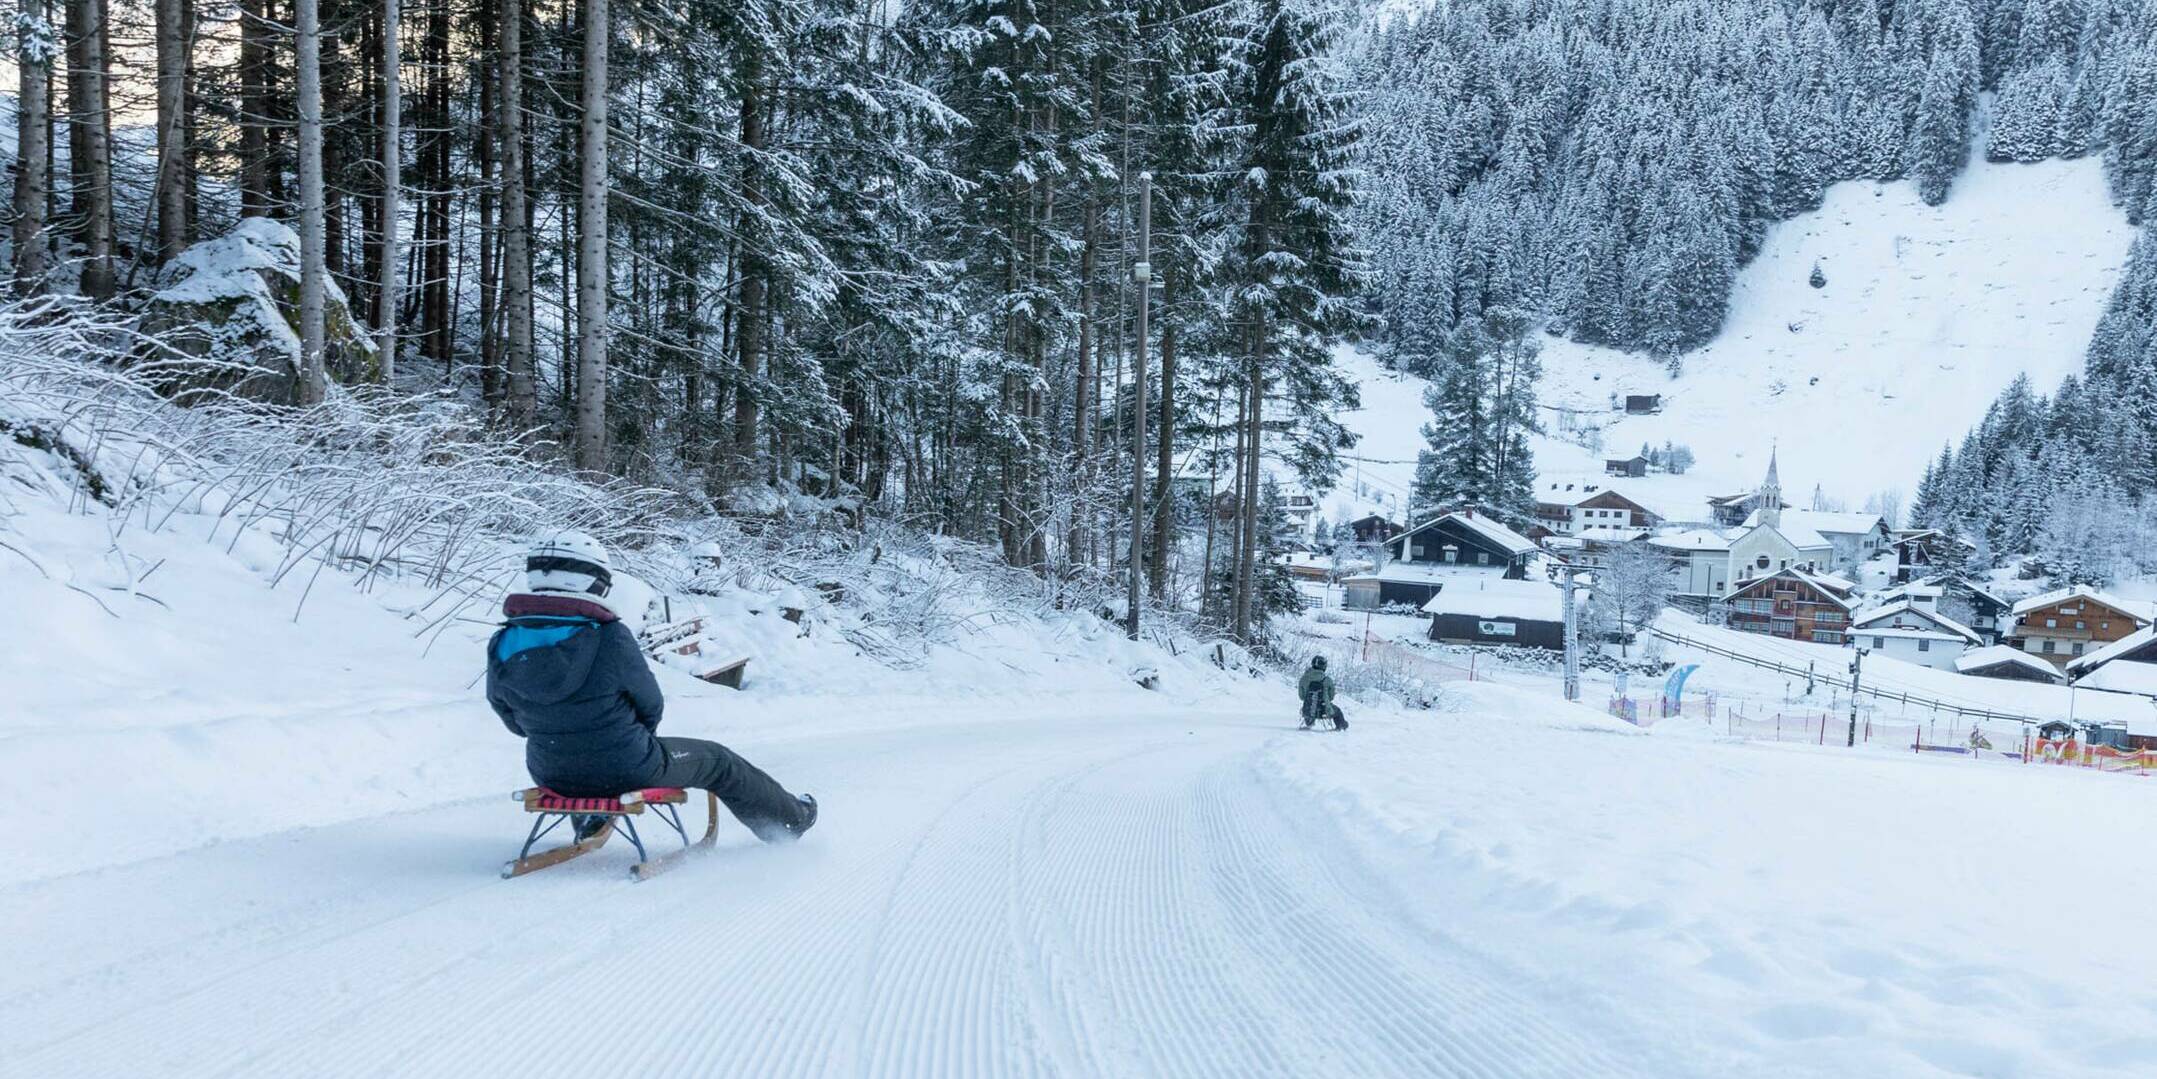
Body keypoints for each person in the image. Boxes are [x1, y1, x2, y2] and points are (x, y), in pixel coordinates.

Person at [486, 530, 817, 842]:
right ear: (595, 582)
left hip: (550, 773)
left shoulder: (503, 639)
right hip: (629, 767)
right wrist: (629, 738)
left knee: (584, 754)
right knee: (719, 761)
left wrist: (553, 731)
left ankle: (590, 821)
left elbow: (509, 716)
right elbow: (650, 704)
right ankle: (792, 821)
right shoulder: (608, 636)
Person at [1298, 656, 1346, 731]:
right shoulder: (1327, 680)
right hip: (1325, 711)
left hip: (1308, 710)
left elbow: (1301, 696)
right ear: (1324, 667)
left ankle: (1309, 722)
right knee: (1338, 711)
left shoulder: (1304, 679)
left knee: (1311, 705)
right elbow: (1331, 697)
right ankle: (1341, 726)